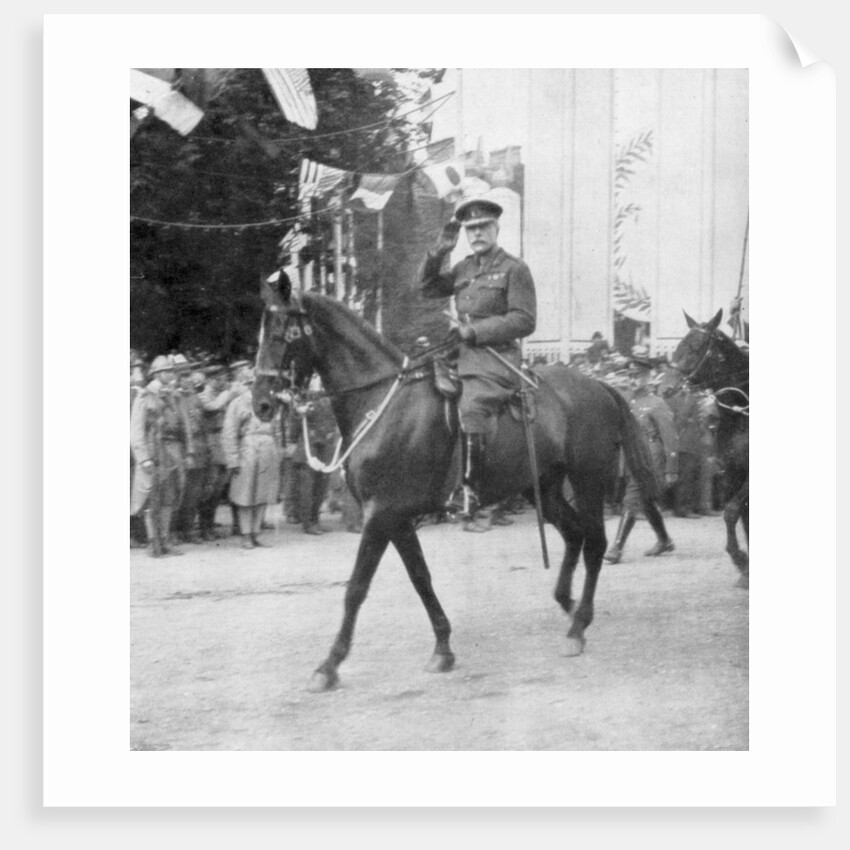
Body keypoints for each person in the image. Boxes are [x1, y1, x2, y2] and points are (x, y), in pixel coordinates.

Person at [419, 191, 537, 532]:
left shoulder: (515, 269)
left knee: (471, 407)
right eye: (470, 229)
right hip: (461, 354)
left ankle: (474, 495)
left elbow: (525, 320)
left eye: (483, 226)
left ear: (496, 227)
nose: (477, 234)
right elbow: (426, 288)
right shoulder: (463, 268)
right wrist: (439, 250)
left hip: (496, 359)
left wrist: (478, 331)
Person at [603, 346, 676, 564]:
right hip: (632, 457)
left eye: (638, 376)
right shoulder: (628, 402)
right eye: (631, 376)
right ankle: (664, 540)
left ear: (648, 376)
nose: (634, 380)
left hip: (650, 459)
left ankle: (616, 548)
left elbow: (670, 437)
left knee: (631, 499)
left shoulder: (657, 403)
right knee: (645, 503)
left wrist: (672, 468)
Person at [130, 354, 196, 557]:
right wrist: (143, 458)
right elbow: (136, 430)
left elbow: (186, 426)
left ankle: (165, 539)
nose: (171, 374)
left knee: (170, 498)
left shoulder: (176, 396)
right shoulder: (145, 396)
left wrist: (189, 451)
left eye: (171, 371)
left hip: (174, 450)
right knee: (152, 498)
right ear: (157, 374)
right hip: (154, 451)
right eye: (166, 371)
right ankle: (153, 541)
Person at [222, 366, 283, 549]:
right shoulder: (238, 403)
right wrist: (232, 459)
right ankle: (246, 534)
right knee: (246, 494)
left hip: (268, 450)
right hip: (247, 450)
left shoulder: (271, 402)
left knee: (263, 494)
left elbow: (278, 429)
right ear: (246, 384)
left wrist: (278, 452)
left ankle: (256, 533)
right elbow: (229, 432)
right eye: (254, 383)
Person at [196, 363, 240, 540]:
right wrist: (228, 394)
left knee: (221, 487)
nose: (221, 381)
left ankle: (210, 525)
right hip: (211, 444)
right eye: (217, 379)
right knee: (210, 488)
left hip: (224, 442)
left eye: (222, 378)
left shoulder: (223, 394)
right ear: (209, 380)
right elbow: (212, 407)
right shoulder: (203, 395)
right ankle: (204, 527)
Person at [289, 381, 338, 535]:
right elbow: (294, 426)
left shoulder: (331, 397)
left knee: (321, 487)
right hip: (309, 448)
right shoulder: (301, 400)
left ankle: (315, 519)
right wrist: (298, 414)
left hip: (326, 446)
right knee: (307, 487)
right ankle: (307, 523)